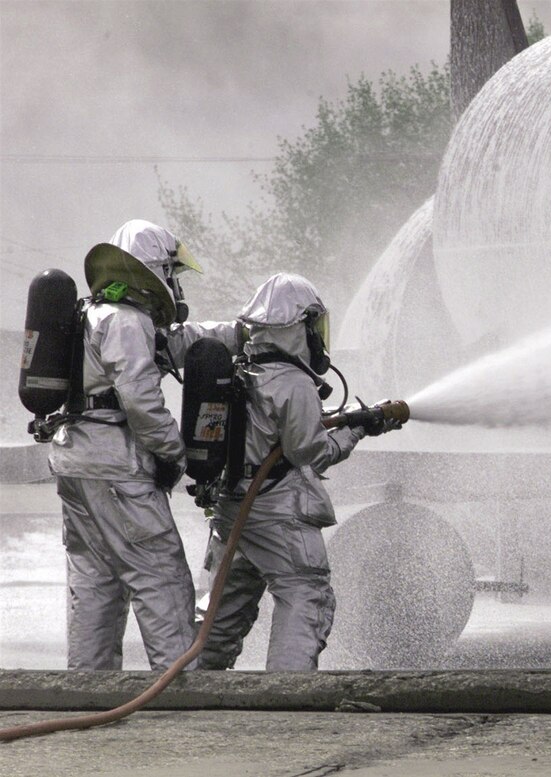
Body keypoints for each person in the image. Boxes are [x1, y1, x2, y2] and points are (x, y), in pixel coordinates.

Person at [49, 219, 243, 670]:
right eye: (172, 274)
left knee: (97, 581)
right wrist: (176, 455)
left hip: (77, 463)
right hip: (117, 467)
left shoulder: (95, 314)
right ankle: (177, 696)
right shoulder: (127, 321)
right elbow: (141, 400)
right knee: (162, 577)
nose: (174, 286)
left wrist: (243, 333)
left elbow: (181, 342)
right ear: (156, 271)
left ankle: (87, 692)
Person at [198, 272, 399, 671]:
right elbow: (310, 450)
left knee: (223, 608)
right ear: (300, 327)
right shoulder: (293, 381)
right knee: (306, 593)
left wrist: (341, 419)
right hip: (278, 512)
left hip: (233, 506)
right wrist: (358, 430)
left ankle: (194, 684)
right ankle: (285, 696)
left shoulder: (243, 368)